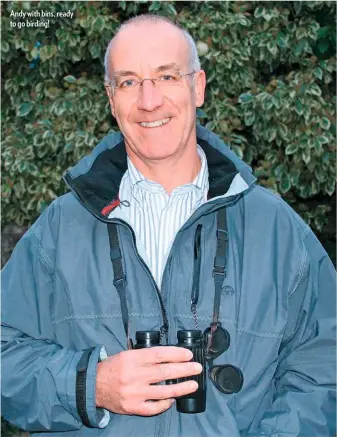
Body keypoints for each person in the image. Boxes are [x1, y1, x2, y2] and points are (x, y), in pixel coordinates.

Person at [1, 14, 336, 437]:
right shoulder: (60, 228)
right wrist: (90, 384)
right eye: (128, 82)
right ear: (110, 98)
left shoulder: (276, 229)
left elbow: (324, 364)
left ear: (198, 87)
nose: (148, 100)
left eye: (166, 76)